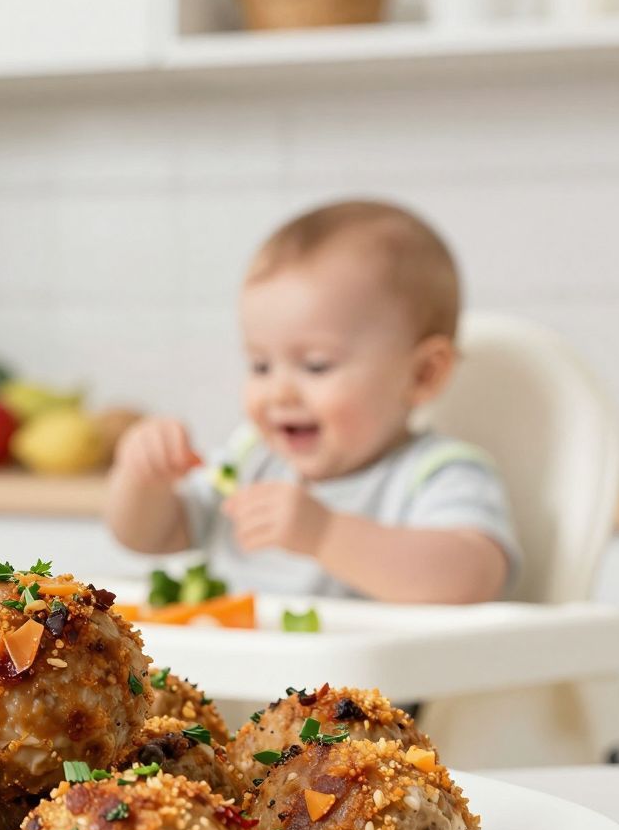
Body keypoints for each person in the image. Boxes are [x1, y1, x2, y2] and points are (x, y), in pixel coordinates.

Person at [106, 199, 518, 604]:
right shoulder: (254, 460)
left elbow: (473, 579)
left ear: (423, 374)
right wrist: (142, 477)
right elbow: (151, 536)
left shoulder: (435, 476)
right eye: (261, 366)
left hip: (363, 675)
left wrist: (325, 535)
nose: (279, 392)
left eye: (317, 366)